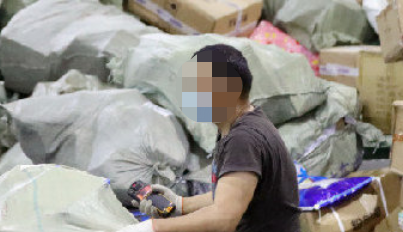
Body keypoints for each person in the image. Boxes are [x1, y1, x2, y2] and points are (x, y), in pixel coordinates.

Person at [117, 44, 300, 232]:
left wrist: (153, 228)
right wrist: (181, 204)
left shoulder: (244, 140)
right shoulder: (237, 126)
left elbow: (223, 218)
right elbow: (230, 194)